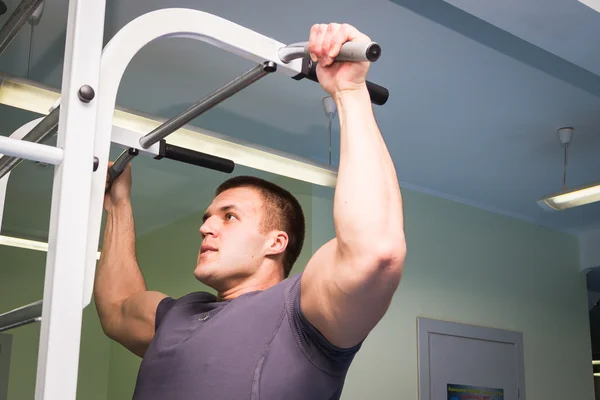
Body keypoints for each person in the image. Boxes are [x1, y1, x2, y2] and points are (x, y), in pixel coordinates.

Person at [94, 22, 406, 400]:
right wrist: (118, 204)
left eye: (229, 216)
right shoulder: (178, 315)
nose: (206, 227)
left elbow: (375, 251)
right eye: (207, 217)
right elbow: (116, 308)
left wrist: (349, 91)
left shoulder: (303, 311)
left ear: (276, 242)